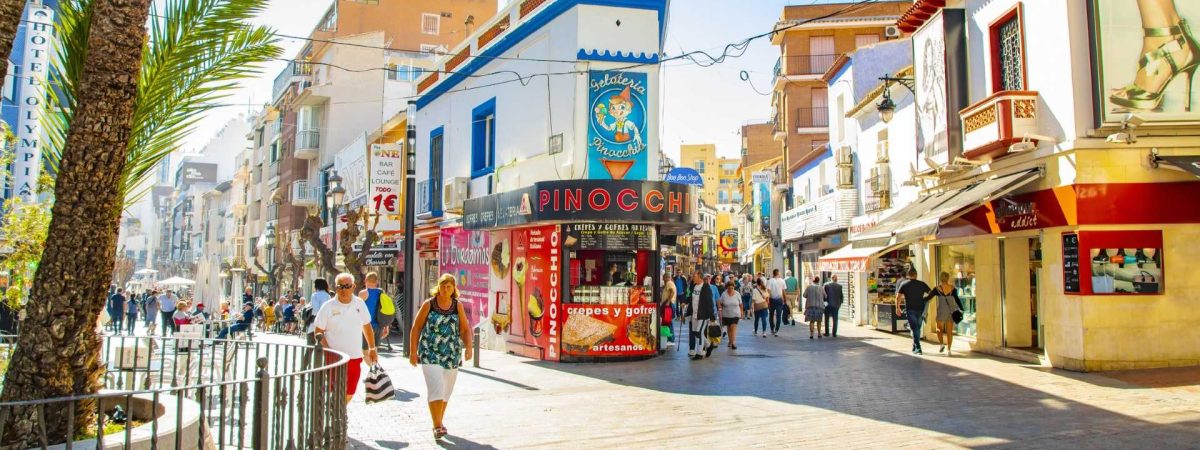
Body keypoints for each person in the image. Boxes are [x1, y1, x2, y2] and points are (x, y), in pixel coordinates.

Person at [408, 274, 472, 440]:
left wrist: (469, 347)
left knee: (446, 391)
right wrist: (413, 351)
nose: (445, 289)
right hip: (430, 352)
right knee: (436, 387)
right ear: (438, 286)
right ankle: (437, 426)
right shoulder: (429, 304)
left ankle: (439, 421)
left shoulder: (457, 305)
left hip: (451, 353)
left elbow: (465, 328)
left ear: (454, 288)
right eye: (443, 286)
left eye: (449, 286)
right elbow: (416, 327)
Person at [314, 272, 378, 405]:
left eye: (347, 286)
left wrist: (372, 348)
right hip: (335, 358)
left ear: (353, 287)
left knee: (350, 391)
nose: (343, 290)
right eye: (340, 286)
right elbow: (318, 331)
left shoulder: (359, 303)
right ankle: (337, 415)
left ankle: (337, 411)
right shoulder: (328, 306)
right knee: (337, 389)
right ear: (336, 287)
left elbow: (367, 326)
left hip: (354, 357)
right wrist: (327, 351)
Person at [895, 269, 933, 355]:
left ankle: (916, 346)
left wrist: (897, 308)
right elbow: (931, 293)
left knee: (915, 328)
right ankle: (917, 346)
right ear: (916, 275)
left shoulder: (904, 284)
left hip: (910, 309)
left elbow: (898, 297)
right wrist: (925, 299)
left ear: (908, 275)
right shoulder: (921, 284)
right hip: (921, 309)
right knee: (917, 328)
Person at [686, 272, 717, 360]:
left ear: (700, 277)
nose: (693, 278)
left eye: (694, 276)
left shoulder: (706, 287)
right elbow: (690, 298)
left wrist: (712, 316)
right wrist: (686, 304)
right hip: (694, 314)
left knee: (699, 332)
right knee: (696, 332)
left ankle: (699, 353)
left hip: (703, 315)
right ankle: (709, 345)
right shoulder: (693, 286)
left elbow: (710, 302)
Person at [357, 272, 392, 349]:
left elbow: (357, 312)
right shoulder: (381, 292)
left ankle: (372, 361)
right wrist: (386, 327)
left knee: (365, 351)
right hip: (379, 326)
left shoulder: (363, 293)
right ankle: (374, 361)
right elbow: (385, 310)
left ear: (365, 280)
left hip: (366, 326)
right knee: (374, 350)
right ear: (377, 281)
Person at [931, 272, 963, 356]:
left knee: (939, 329)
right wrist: (962, 309)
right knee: (949, 331)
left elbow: (928, 298)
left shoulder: (937, 289)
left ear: (941, 278)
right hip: (950, 311)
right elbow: (957, 300)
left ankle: (941, 344)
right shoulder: (953, 288)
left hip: (941, 311)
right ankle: (949, 350)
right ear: (948, 278)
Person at [718, 282, 743, 350]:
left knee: (733, 326)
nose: (730, 289)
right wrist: (720, 310)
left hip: (736, 314)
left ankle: (733, 342)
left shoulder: (737, 294)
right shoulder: (724, 294)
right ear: (727, 288)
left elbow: (741, 304)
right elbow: (719, 302)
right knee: (729, 328)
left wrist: (742, 313)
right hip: (726, 314)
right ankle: (730, 341)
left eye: (732, 288)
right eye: (729, 288)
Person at [766, 269, 788, 337]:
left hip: (772, 300)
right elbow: (783, 291)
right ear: (778, 274)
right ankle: (776, 330)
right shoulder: (782, 281)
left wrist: (767, 301)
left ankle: (772, 328)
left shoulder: (770, 281)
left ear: (773, 273)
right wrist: (785, 300)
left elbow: (768, 292)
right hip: (779, 300)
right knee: (779, 316)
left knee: (771, 315)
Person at [660, 272, 676, 349]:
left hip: (669, 304)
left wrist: (668, 302)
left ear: (667, 277)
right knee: (668, 321)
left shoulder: (669, 283)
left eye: (664, 278)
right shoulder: (669, 283)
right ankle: (670, 339)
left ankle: (671, 340)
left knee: (668, 321)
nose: (663, 279)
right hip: (668, 303)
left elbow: (672, 292)